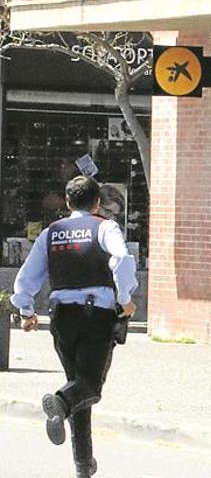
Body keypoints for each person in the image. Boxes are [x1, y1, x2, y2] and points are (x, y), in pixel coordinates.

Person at [11, 175, 138, 477]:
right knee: (88, 387)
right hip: (96, 317)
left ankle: (83, 464)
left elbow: (28, 276)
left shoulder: (51, 233)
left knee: (77, 383)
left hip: (62, 318)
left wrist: (27, 310)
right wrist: (125, 298)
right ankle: (60, 401)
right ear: (98, 203)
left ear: (68, 202)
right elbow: (121, 259)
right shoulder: (104, 227)